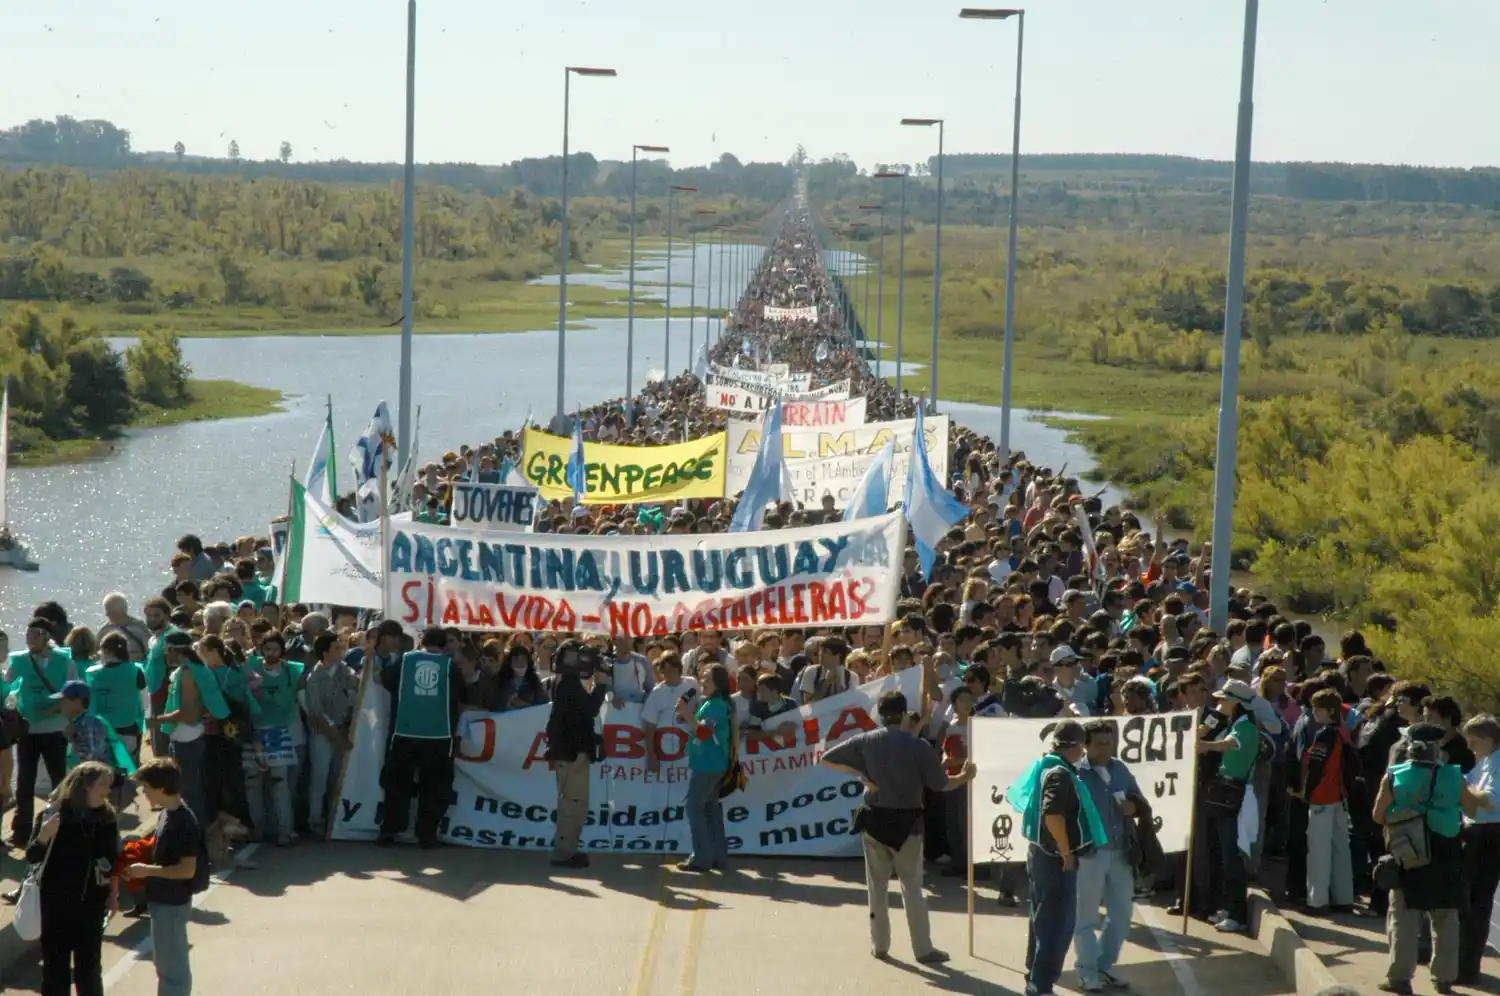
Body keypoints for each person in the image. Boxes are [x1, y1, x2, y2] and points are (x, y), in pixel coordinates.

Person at [821, 691, 973, 965]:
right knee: (912, 887)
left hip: (874, 818)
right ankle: (923, 949)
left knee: (876, 887)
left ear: (880, 715)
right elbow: (941, 784)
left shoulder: (866, 741)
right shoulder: (917, 747)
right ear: (904, 715)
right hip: (908, 823)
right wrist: (964, 776)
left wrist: (863, 776)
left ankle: (879, 945)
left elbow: (827, 758)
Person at [1371, 723, 1484, 995]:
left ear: (1409, 746)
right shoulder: (1454, 776)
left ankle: (1399, 978)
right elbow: (1472, 810)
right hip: (1446, 853)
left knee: (1403, 918)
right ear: (1437, 748)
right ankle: (1444, 979)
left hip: (1409, 851)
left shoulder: (1394, 775)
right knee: (1445, 918)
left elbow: (1378, 815)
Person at [1007, 719, 1108, 996]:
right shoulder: (1060, 773)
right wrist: (1066, 852)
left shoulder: (1047, 765)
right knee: (1056, 924)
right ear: (1076, 746)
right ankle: (1041, 985)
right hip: (1055, 858)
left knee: (1041, 919)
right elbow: (1052, 815)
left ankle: (1034, 975)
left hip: (1041, 854)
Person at [27, 761, 118, 996]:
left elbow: (113, 861)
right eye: (103, 784)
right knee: (55, 970)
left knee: (89, 971)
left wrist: (113, 894)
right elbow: (33, 856)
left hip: (91, 906)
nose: (108, 790)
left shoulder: (106, 817)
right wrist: (44, 836)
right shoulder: (53, 814)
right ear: (85, 786)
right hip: (56, 905)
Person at [124, 758, 203, 996]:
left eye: (146, 787)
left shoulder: (183, 821)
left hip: (172, 903)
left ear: (160, 788)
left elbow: (186, 869)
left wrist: (146, 870)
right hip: (163, 901)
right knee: (166, 964)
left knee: (173, 970)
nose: (143, 792)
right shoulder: (168, 814)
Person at [1074, 720, 1142, 994]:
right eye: (1100, 743)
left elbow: (1139, 799)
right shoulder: (1077, 774)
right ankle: (1087, 971)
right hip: (1091, 853)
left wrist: (1133, 806)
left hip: (1120, 852)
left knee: (1122, 913)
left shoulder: (1121, 768)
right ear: (1086, 745)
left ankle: (1104, 964)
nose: (1107, 748)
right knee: (1086, 917)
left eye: (1110, 742)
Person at [378, 626, 462, 848]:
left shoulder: (405, 661)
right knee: (435, 787)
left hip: (404, 731)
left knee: (396, 784)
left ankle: (390, 829)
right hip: (438, 735)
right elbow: (461, 693)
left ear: (421, 641)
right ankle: (426, 834)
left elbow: (384, 680)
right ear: (444, 644)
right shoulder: (450, 665)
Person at [6, 618, 79, 847]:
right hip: (28, 728)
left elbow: (73, 690)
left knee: (60, 779)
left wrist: (55, 707)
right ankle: (22, 832)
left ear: (47, 637)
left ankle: (64, 826)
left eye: (36, 634)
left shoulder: (64, 660)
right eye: (28, 634)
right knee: (24, 782)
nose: (30, 639)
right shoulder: (19, 660)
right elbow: (6, 687)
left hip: (55, 728)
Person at [1196, 679, 1260, 934]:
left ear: (1236, 702)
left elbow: (1229, 744)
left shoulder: (1246, 727)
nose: (1220, 702)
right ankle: (1226, 906)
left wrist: (1205, 746)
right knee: (1220, 854)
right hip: (1220, 792)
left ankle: (1236, 913)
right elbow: (1207, 734)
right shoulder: (1229, 722)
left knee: (1232, 856)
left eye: (1224, 699)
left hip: (1233, 795)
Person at [543, 639, 608, 868]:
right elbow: (589, 709)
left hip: (571, 750)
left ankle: (567, 847)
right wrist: (601, 686)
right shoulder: (568, 684)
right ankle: (563, 851)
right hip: (571, 752)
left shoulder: (566, 683)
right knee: (573, 803)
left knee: (574, 803)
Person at [1298, 687, 1360, 914]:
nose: (1314, 712)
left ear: (1327, 711)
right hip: (1340, 797)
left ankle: (1317, 902)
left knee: (1318, 851)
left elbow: (1316, 767)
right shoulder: (1343, 731)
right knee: (1340, 849)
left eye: (1317, 708)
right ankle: (1344, 898)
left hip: (1322, 797)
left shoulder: (1324, 734)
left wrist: (1306, 792)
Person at [1457, 714, 1500, 987]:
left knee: (1476, 904)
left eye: (1474, 742)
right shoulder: (1485, 761)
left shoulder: (1498, 762)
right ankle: (1463, 964)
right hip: (1476, 831)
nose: (1470, 748)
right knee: (1468, 903)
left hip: (1489, 836)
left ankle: (1467, 968)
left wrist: (1466, 791)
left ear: (1488, 739)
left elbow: (1492, 800)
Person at [678, 662, 734, 872]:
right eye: (702, 677)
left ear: (719, 683)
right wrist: (687, 716)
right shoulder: (712, 704)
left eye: (708, 678)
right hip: (711, 762)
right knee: (710, 809)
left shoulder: (715, 706)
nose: (703, 682)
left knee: (694, 807)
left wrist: (687, 714)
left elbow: (703, 733)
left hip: (708, 764)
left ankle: (701, 858)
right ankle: (718, 856)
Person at [302, 631, 359, 836]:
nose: (341, 650)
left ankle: (333, 821)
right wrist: (338, 738)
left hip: (342, 732)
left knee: (337, 778)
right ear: (325, 653)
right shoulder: (315, 678)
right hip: (323, 735)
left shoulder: (345, 671)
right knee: (320, 779)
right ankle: (315, 821)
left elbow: (358, 686)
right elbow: (317, 714)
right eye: (336, 647)